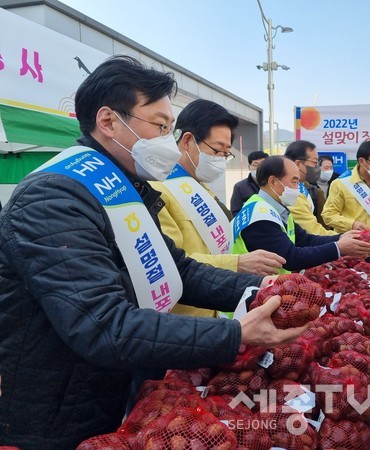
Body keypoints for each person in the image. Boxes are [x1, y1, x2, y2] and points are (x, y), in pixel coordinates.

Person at [0, 56, 306, 449]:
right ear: (109, 121)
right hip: (54, 411)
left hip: (108, 389)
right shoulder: (53, 198)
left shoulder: (123, 188)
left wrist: (259, 290)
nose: (167, 141)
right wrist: (234, 333)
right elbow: (104, 324)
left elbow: (177, 271)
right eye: (160, 127)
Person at [150, 100, 284, 318]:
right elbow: (171, 264)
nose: (221, 160)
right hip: (182, 319)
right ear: (187, 140)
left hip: (214, 309)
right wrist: (238, 263)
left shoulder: (203, 189)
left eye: (226, 153)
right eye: (217, 150)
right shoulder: (157, 190)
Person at [232, 155, 370, 272]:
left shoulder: (273, 208)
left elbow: (304, 240)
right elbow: (290, 258)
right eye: (294, 182)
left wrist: (340, 238)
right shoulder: (261, 217)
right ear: (273, 181)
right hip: (252, 291)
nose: (297, 189)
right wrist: (338, 248)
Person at [284, 140, 336, 235]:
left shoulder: (301, 186)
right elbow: (312, 230)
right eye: (315, 163)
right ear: (298, 164)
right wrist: (341, 238)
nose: (317, 168)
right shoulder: (290, 192)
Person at [230, 150, 269, 216]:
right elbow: (235, 212)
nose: (259, 168)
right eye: (255, 165)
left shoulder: (274, 184)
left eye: (262, 165)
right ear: (249, 167)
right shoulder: (240, 187)